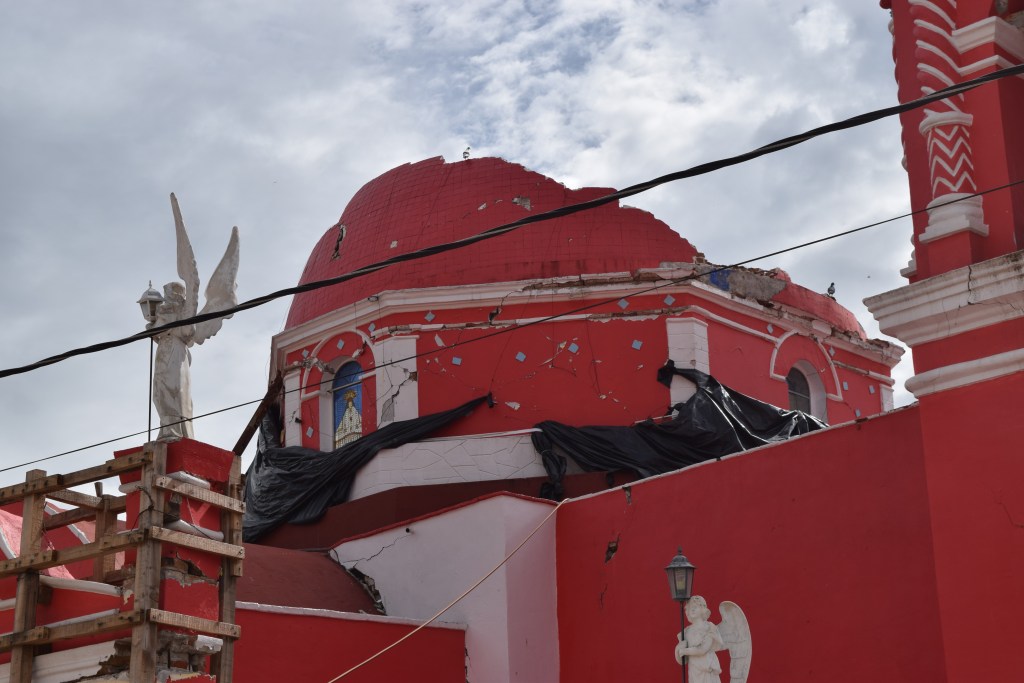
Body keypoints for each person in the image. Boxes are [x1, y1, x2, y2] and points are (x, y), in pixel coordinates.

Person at [675, 595, 725, 683]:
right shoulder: (686, 632)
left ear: (702, 609)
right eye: (690, 608)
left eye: (695, 607)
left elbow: (703, 649)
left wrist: (683, 651)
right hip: (694, 670)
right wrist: (678, 651)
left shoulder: (709, 627)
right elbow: (683, 660)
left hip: (707, 668)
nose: (692, 610)